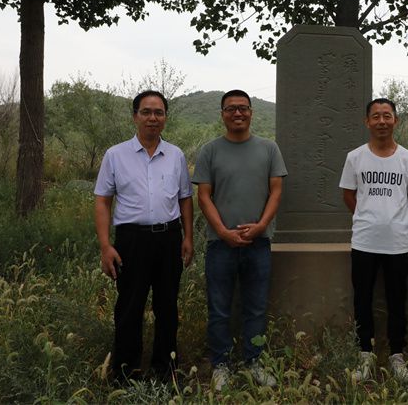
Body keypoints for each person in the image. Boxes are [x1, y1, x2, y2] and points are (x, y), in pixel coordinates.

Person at [94, 90, 194, 382]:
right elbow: (103, 200)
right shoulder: (115, 155)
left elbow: (185, 198)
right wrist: (105, 245)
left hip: (168, 238)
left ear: (165, 118)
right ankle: (125, 372)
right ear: (135, 116)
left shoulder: (175, 155)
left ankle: (165, 370)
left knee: (167, 305)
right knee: (129, 306)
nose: (153, 118)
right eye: (146, 112)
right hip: (131, 240)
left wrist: (188, 237)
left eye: (159, 112)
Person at [192, 89, 287, 391]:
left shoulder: (269, 149)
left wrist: (261, 225)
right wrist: (222, 231)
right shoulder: (210, 151)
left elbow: (276, 191)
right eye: (231, 108)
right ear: (222, 114)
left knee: (256, 307)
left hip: (259, 242)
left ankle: (253, 361)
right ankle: (220, 364)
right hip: (220, 243)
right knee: (219, 308)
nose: (237, 113)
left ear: (251, 112)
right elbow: (203, 196)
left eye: (243, 108)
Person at [339, 98, 408, 384]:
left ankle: (396, 355)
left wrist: (394, 218)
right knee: (362, 299)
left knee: (397, 300)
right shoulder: (355, 157)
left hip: (397, 243)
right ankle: (365, 354)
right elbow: (349, 195)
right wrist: (368, 217)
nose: (381, 121)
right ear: (367, 121)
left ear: (395, 120)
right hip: (364, 241)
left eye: (387, 116)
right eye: (375, 116)